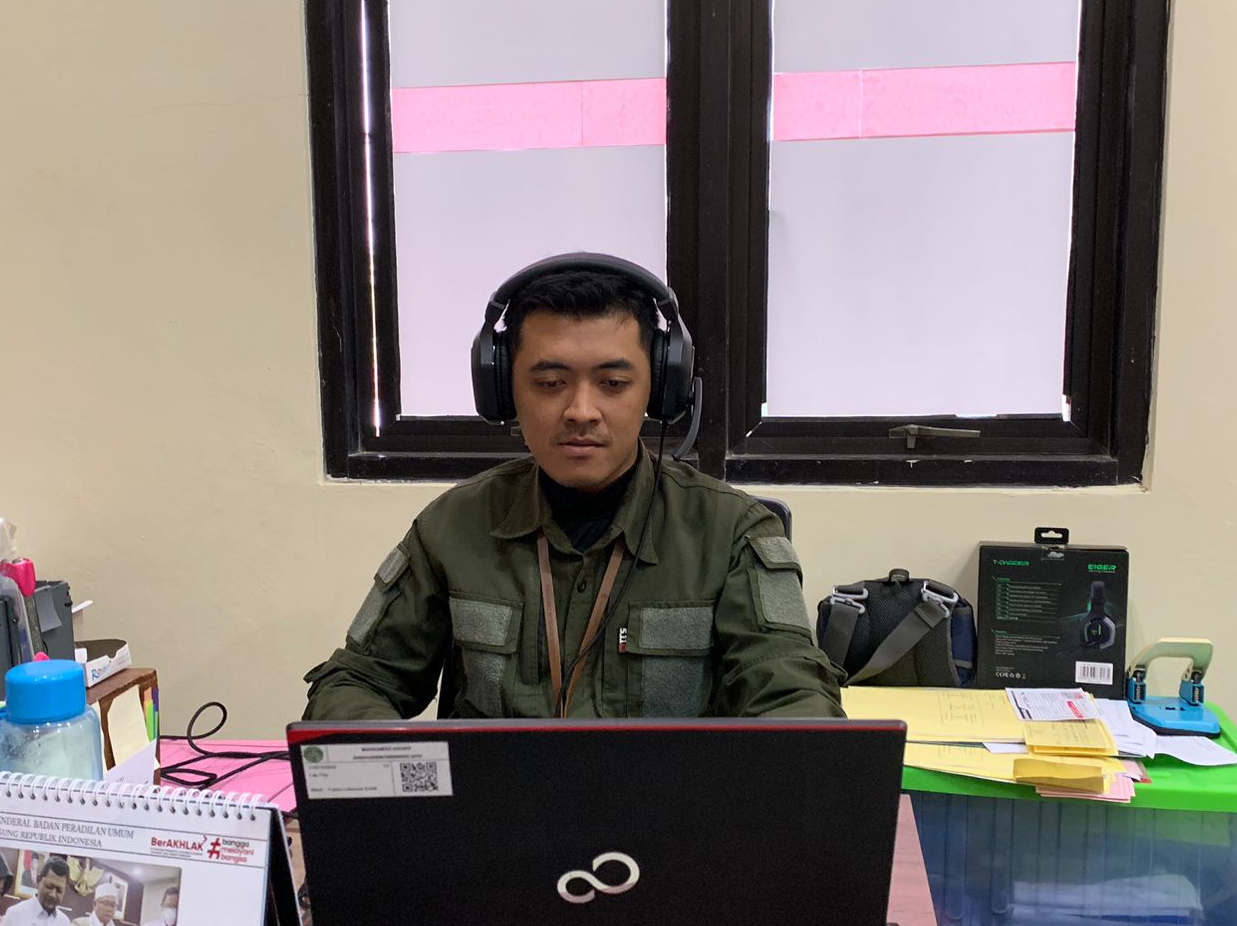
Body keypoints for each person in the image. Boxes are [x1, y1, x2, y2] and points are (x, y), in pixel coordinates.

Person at [304, 254, 846, 720]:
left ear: (660, 388)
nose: (581, 411)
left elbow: (793, 693)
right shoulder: (452, 527)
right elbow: (358, 682)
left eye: (613, 383)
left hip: (667, 807)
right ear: (503, 390)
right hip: (498, 804)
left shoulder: (733, 533)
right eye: (550, 383)